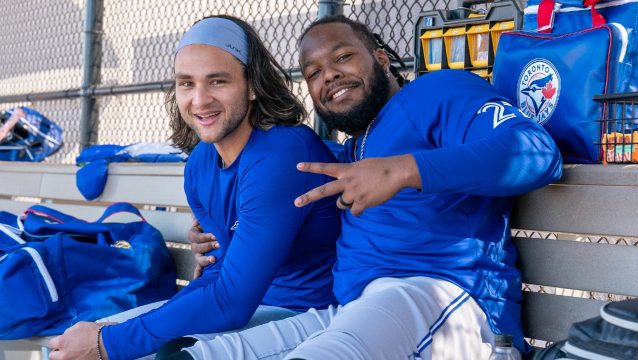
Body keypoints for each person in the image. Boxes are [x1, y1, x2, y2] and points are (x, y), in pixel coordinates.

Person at [184, 15, 563, 359]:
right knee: (193, 351)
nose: (328, 75)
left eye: (343, 57)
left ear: (381, 59)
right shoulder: (348, 152)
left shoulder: (439, 91)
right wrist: (220, 232)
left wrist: (402, 170)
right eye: (313, 72)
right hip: (352, 310)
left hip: (447, 301)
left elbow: (538, 153)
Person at [48, 14, 341, 360]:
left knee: (166, 353)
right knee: (73, 345)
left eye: (217, 81)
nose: (199, 100)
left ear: (252, 86)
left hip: (311, 314)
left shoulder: (282, 154)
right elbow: (217, 273)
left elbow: (231, 301)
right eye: (186, 83)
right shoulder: (201, 163)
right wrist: (109, 335)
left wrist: (111, 343)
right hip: (251, 305)